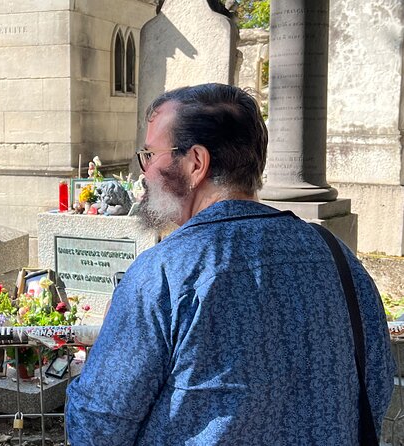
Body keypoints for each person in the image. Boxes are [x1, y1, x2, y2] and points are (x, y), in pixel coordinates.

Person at [65, 83, 395, 445]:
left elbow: (97, 426)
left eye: (150, 155)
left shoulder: (163, 274)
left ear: (195, 163)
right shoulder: (337, 256)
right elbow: (376, 386)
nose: (144, 172)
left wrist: (110, 343)